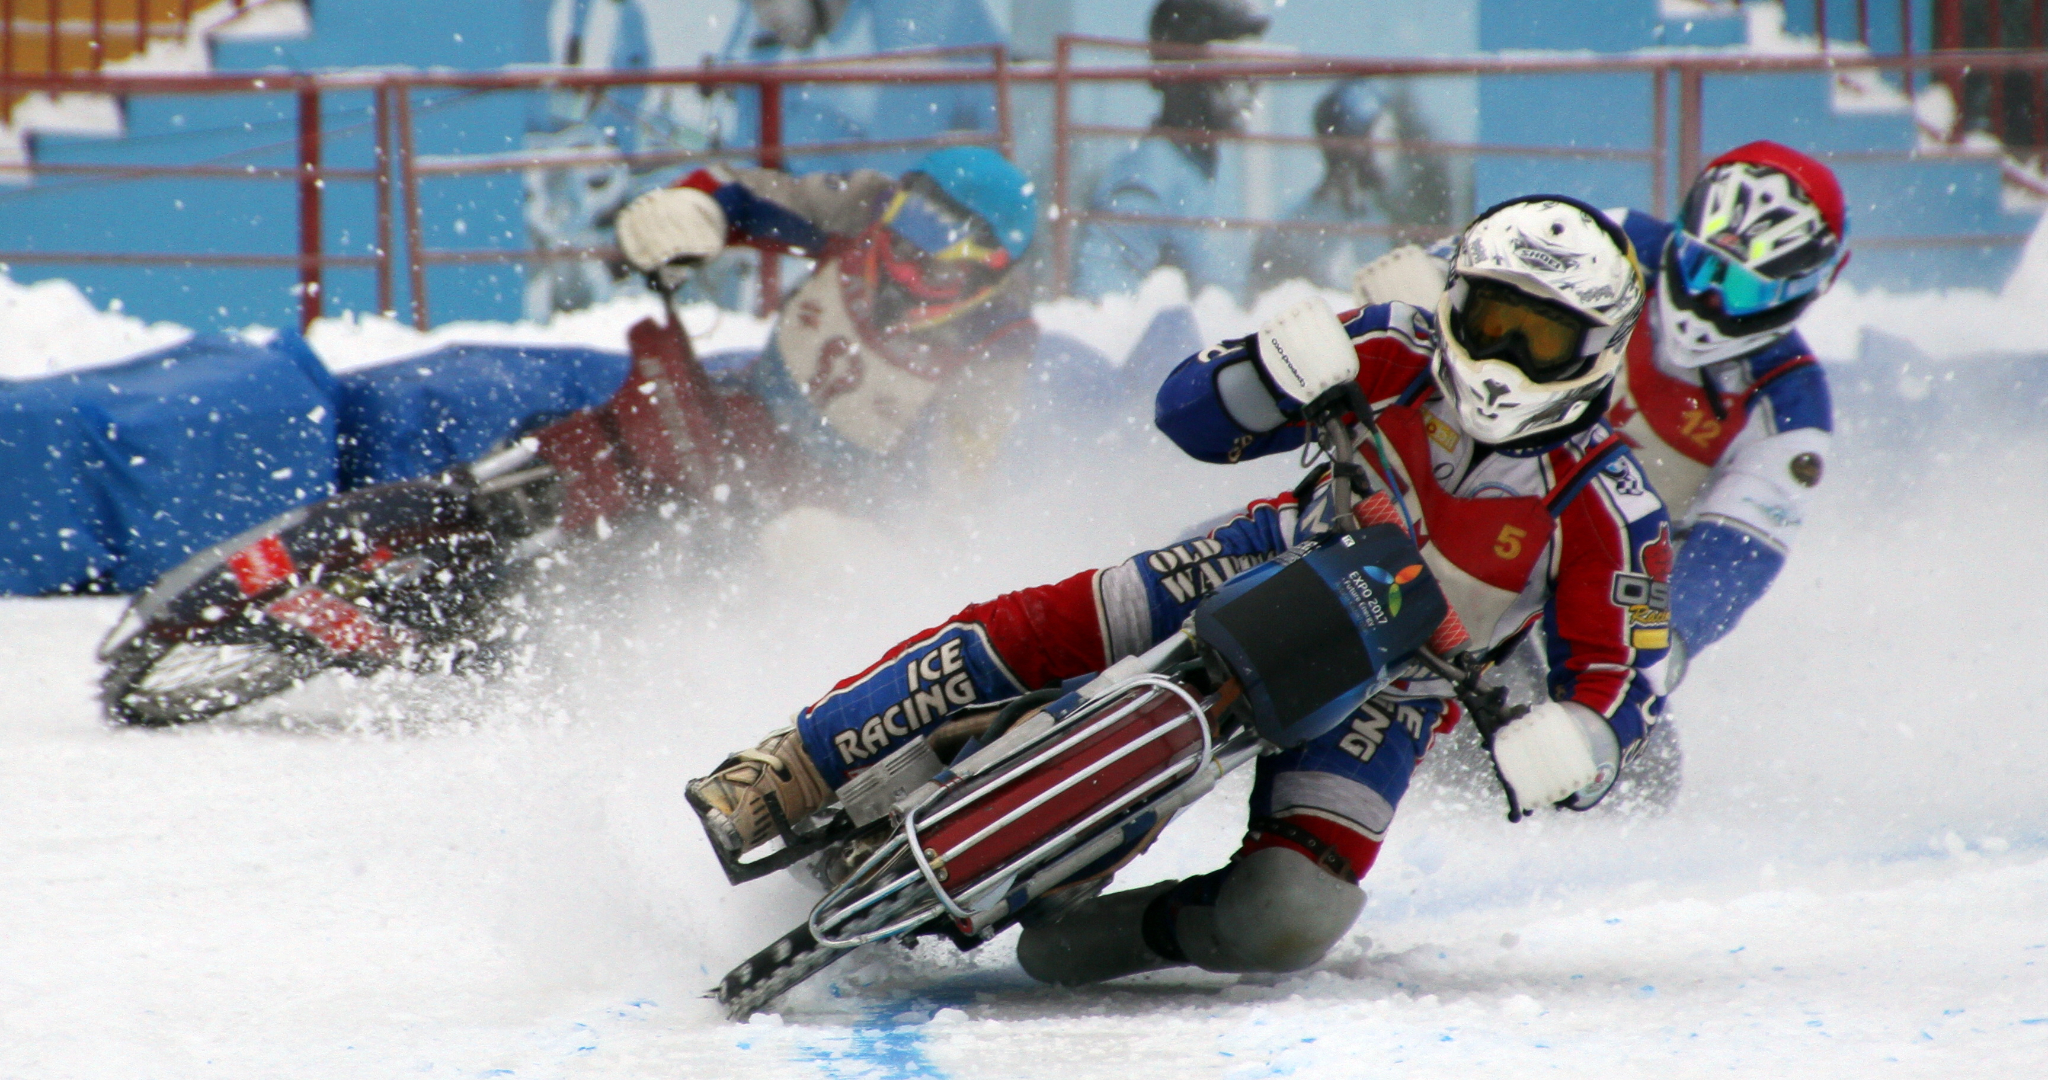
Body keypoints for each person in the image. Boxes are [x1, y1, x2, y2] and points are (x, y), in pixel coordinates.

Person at [685, 195, 1672, 985]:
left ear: (1594, 354)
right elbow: (1187, 417)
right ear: (1452, 301)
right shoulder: (1390, 344)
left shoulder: (1611, 507)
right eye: (1489, 319)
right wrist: (1264, 370)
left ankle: (1102, 938)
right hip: (1270, 556)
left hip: (1399, 692)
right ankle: (791, 766)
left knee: (1288, 916)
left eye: (1538, 339)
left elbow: (1619, 682)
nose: (1502, 355)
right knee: (1051, 625)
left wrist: (1573, 747)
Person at [1353, 141, 1841, 686]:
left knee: (1635, 766)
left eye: (1744, 290)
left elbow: (1736, 551)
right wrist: (1424, 281)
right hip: (1433, 498)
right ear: (1681, 235)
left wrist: (1665, 642)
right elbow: (1485, 266)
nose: (1709, 301)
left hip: (1592, 578)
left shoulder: (1793, 404)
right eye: (1702, 266)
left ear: (1802, 294)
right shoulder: (1618, 243)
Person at [612, 145, 1041, 499]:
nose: (902, 272)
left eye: (934, 270)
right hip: (751, 413)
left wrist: (890, 552)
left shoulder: (994, 342)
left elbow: (958, 487)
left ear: (988, 272)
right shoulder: (864, 207)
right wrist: (697, 209)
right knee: (622, 440)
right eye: (902, 240)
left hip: (845, 501)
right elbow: (751, 194)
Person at [1072, 0, 1270, 299]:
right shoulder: (1143, 186)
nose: (1253, 81)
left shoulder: (1208, 169)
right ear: (1185, 71)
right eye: (1233, 61)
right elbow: (1102, 317)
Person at [1247, 79, 1454, 298]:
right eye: (1388, 135)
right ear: (1356, 144)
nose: (1395, 149)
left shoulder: (1375, 222)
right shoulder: (1295, 231)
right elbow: (1269, 312)